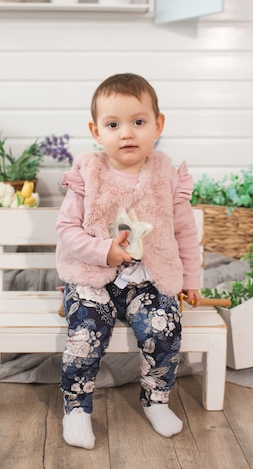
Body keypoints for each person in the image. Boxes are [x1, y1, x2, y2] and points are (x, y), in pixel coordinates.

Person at [56, 72, 202, 449]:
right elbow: (68, 230)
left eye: (138, 122)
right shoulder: (88, 175)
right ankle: (76, 407)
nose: (127, 133)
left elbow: (185, 233)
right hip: (92, 277)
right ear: (96, 131)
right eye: (113, 124)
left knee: (164, 327)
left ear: (158, 125)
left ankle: (156, 399)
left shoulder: (165, 177)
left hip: (148, 281)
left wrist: (192, 280)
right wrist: (104, 250)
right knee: (86, 333)